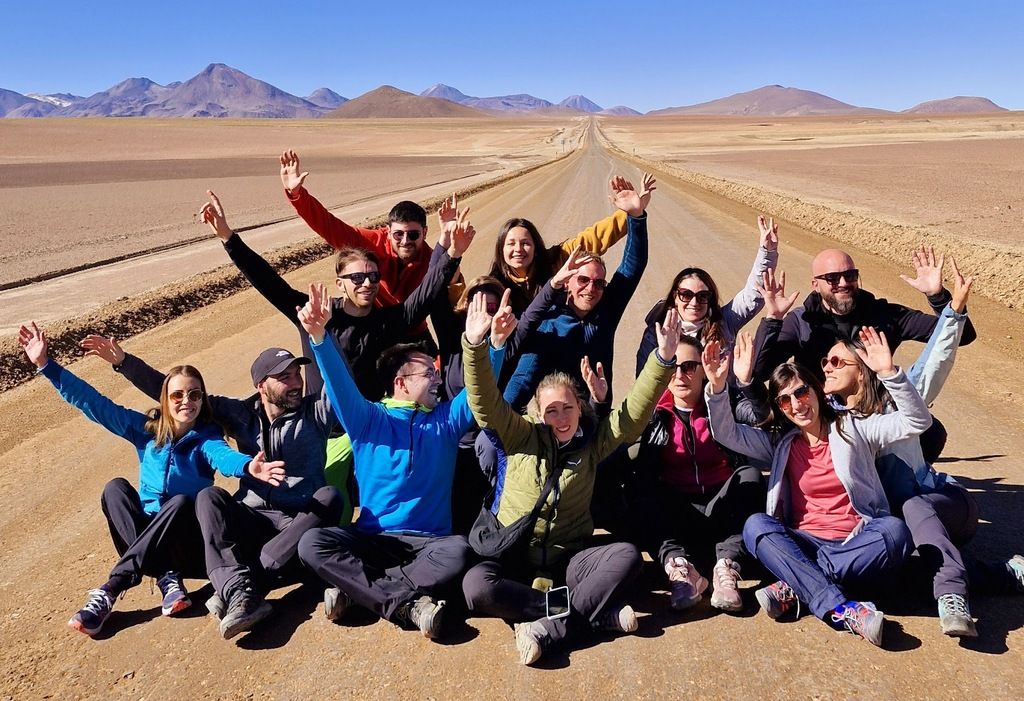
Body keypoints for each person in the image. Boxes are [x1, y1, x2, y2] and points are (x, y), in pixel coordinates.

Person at [18, 322, 283, 638]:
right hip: (148, 537)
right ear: (165, 400)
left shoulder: (206, 438)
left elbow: (223, 457)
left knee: (181, 502)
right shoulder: (146, 431)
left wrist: (247, 466)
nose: (186, 401)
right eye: (177, 395)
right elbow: (94, 403)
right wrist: (46, 365)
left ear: (202, 400)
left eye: (194, 394)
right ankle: (166, 576)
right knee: (115, 488)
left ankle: (114, 585)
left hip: (186, 540)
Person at [79, 335, 347, 640]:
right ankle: (237, 586)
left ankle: (242, 590)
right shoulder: (240, 413)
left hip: (296, 522)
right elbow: (177, 396)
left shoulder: (315, 411)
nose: (296, 382)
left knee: (329, 498)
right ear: (262, 385)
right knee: (209, 497)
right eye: (284, 377)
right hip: (253, 520)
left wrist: (320, 336)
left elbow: (341, 387)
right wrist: (124, 363)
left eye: (297, 374)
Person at [460, 297, 682, 666]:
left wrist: (662, 360)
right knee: (476, 587)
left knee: (626, 557)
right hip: (514, 557)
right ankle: (589, 617)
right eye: (551, 410)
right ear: (537, 414)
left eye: (568, 408)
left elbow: (632, 416)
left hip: (568, 561)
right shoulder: (520, 436)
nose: (561, 418)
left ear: (580, 408)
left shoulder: (592, 443)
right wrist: (474, 346)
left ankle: (545, 628)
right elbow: (484, 402)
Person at [295, 283, 511, 640]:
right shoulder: (367, 419)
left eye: (436, 372)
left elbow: (479, 391)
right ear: (401, 383)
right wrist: (319, 337)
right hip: (372, 539)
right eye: (428, 373)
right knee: (312, 543)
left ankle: (360, 591)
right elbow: (338, 382)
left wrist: (493, 345)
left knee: (459, 551)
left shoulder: (445, 421)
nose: (438, 379)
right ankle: (406, 603)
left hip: (430, 544)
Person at [820, 260, 1024, 637]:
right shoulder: (831, 421)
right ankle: (1006, 574)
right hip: (898, 526)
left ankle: (951, 595)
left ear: (860, 371)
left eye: (836, 361)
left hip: (946, 505)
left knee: (914, 506)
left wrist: (951, 307)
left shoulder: (894, 402)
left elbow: (933, 364)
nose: (827, 368)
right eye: (825, 362)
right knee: (896, 570)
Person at [705, 327, 927, 647]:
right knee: (755, 526)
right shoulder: (781, 443)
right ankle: (842, 609)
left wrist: (889, 373)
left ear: (817, 389)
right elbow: (728, 433)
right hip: (804, 543)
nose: (796, 404)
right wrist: (718, 387)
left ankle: (799, 584)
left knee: (894, 531)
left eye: (801, 392)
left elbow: (917, 422)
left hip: (856, 543)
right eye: (785, 400)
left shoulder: (854, 428)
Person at [199, 190, 471, 400]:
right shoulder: (317, 315)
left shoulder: (388, 322)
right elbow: (269, 283)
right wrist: (228, 238)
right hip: (323, 430)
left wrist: (452, 252)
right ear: (340, 284)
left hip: (367, 428)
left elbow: (428, 290)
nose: (367, 283)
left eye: (373, 277)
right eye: (357, 278)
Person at [626, 332, 766, 613]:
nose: (680, 375)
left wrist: (747, 381)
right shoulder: (654, 412)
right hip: (679, 511)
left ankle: (726, 567)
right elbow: (615, 432)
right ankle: (680, 569)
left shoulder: (723, 400)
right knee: (640, 486)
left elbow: (761, 416)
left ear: (703, 370)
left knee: (750, 476)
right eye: (673, 367)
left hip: (721, 505)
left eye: (689, 366)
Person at [502, 174, 652, 411]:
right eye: (582, 280)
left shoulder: (606, 311)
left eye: (599, 283)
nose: (591, 288)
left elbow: (633, 267)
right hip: (556, 422)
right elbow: (523, 379)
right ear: (567, 282)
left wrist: (635, 216)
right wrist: (502, 420)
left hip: (597, 419)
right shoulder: (548, 321)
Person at [752, 245, 977, 384]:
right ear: (815, 285)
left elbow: (962, 335)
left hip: (873, 414)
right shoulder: (801, 322)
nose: (843, 283)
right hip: (820, 418)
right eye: (832, 278)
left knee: (932, 433)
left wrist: (938, 297)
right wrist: (773, 319)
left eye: (850, 275)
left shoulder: (884, 315)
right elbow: (759, 373)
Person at [279, 149, 451, 308]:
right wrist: (298, 196)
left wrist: (452, 245)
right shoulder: (372, 243)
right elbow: (330, 226)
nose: (405, 241)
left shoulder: (432, 259)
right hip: (373, 322)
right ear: (388, 232)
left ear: (425, 233)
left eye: (413, 234)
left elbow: (454, 293)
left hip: (414, 326)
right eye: (398, 234)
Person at [488, 174, 656, 314]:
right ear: (501, 249)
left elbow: (597, 236)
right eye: (511, 244)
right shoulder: (495, 283)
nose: (518, 249)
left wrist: (633, 212)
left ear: (536, 246)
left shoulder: (558, 258)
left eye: (525, 243)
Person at [634, 215, 779, 376]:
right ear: (675, 297)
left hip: (719, 392)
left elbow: (752, 295)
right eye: (686, 295)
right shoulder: (656, 333)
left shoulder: (724, 323)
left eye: (702, 296)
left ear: (710, 299)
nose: (694, 302)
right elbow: (644, 380)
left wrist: (767, 252)